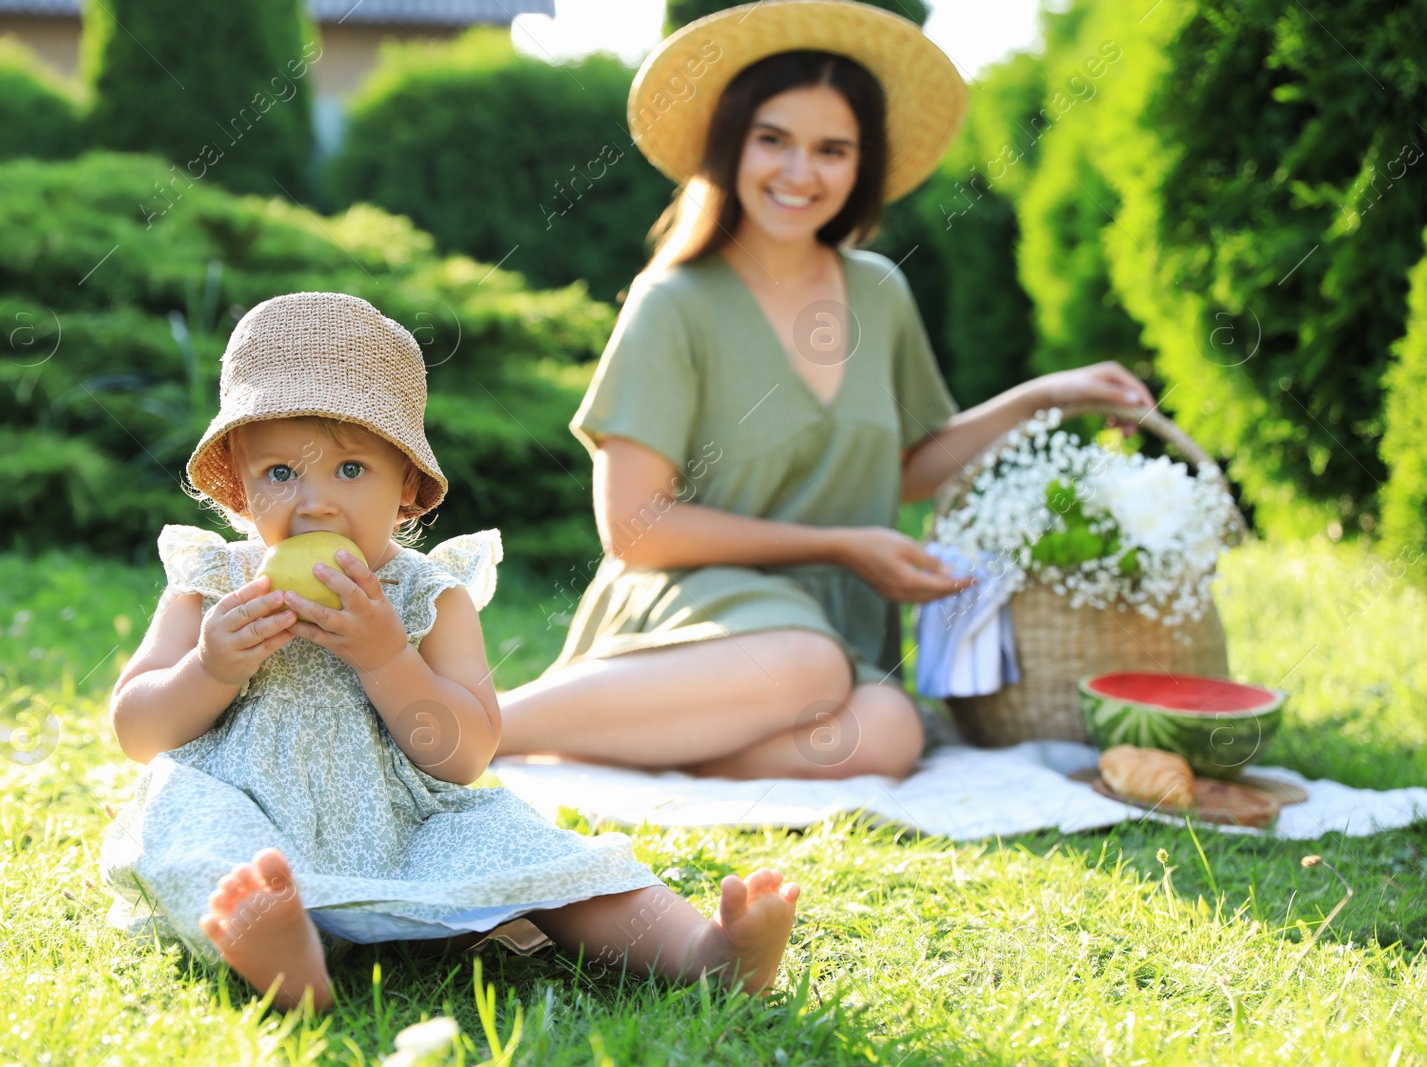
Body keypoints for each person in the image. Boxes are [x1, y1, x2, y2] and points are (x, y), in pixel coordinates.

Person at [496, 0, 1154, 780]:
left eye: (832, 149)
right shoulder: (673, 302)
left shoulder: (878, 292)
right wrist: (838, 544)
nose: (799, 172)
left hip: (838, 632)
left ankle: (643, 739)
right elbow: (634, 528)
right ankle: (478, 728)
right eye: (772, 139)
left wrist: (1041, 397)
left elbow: (907, 461)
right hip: (693, 610)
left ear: (861, 165)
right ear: (731, 143)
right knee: (808, 667)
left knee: (888, 730)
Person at [97, 291, 801, 1012]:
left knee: (533, 848)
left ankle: (704, 951)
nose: (314, 503)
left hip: (410, 832)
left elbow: (465, 754)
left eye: (350, 470)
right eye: (280, 472)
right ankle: (283, 946)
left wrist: (387, 658)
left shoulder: (428, 595)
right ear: (240, 489)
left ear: (406, 487)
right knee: (191, 822)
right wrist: (211, 667)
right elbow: (138, 731)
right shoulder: (213, 586)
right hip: (256, 819)